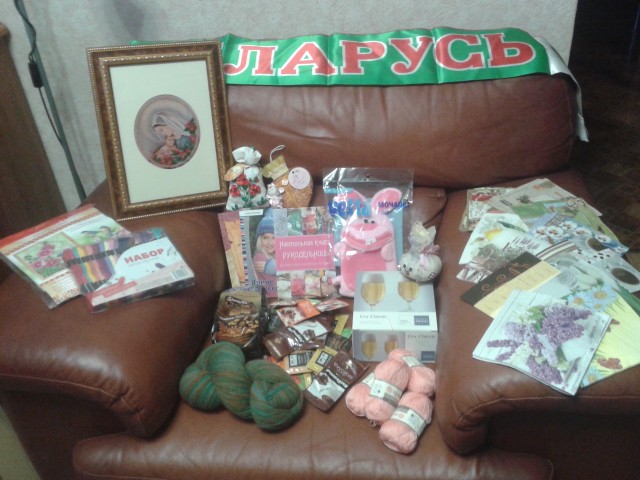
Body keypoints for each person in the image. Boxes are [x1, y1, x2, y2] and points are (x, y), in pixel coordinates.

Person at [252, 209, 276, 294]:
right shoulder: (259, 257)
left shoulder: (275, 255)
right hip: (273, 299)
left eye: (274, 238)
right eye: (265, 238)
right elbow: (275, 290)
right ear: (260, 239)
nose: (270, 243)